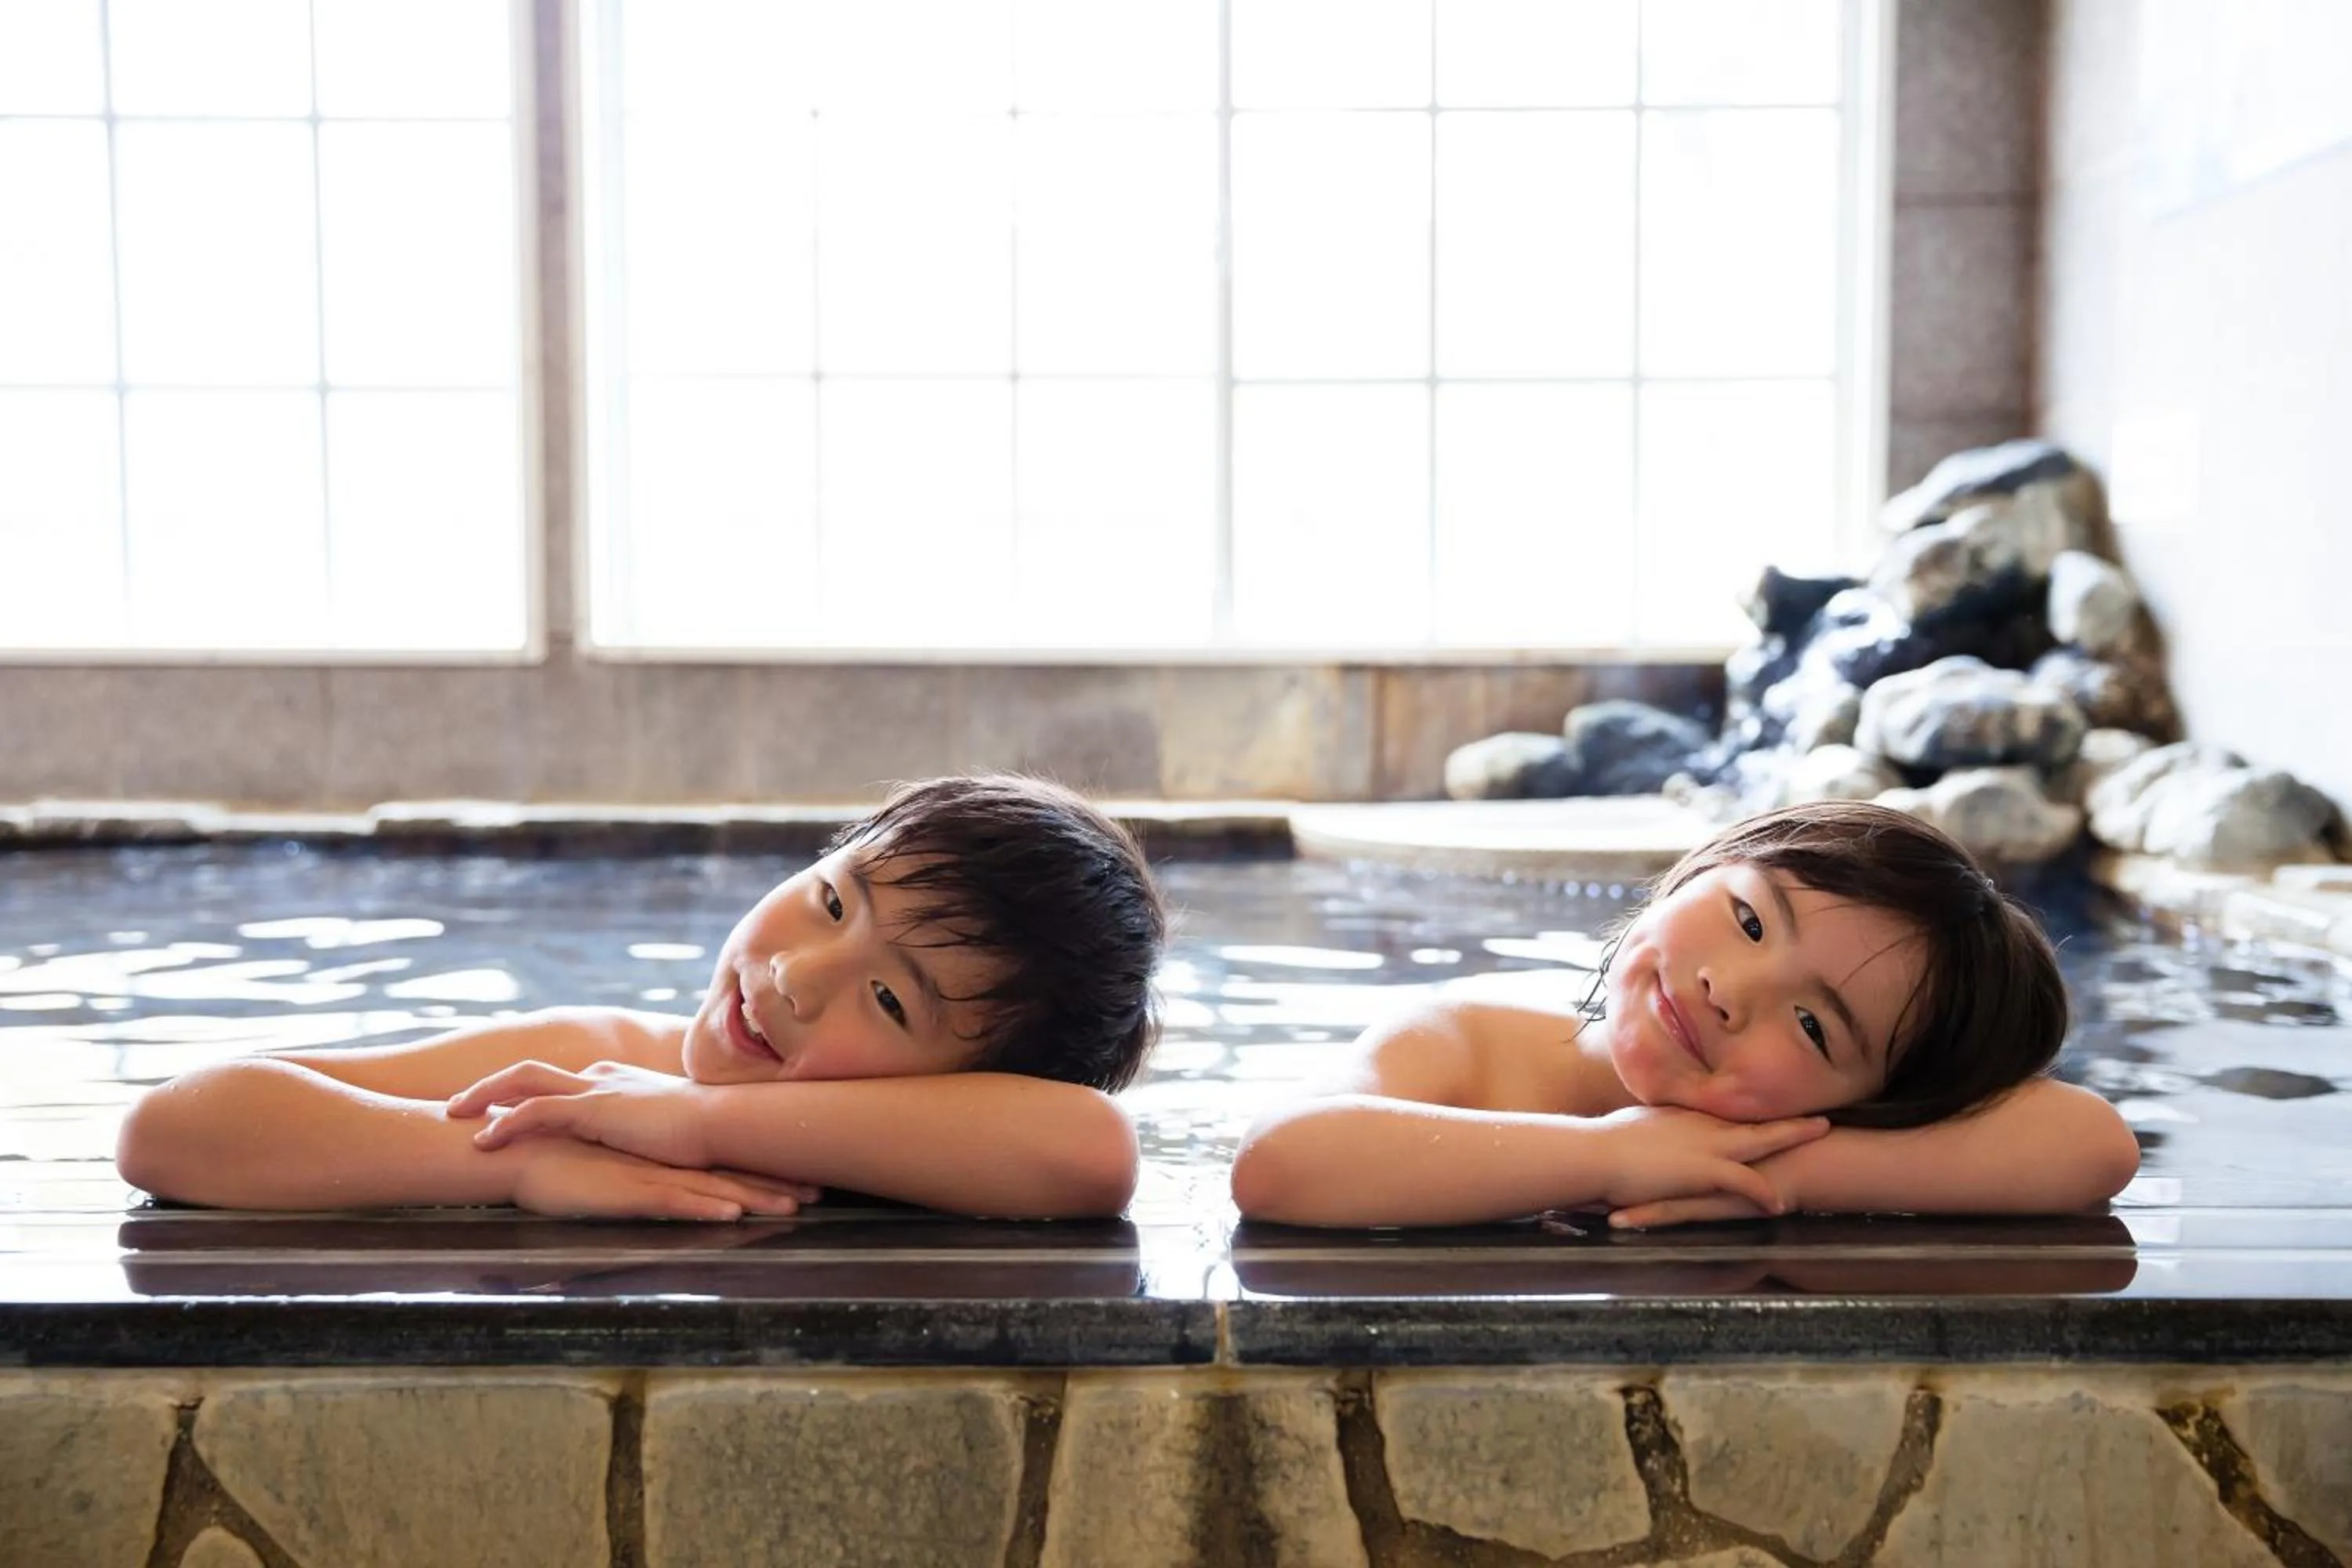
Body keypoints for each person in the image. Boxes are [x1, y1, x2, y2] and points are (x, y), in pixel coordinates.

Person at [117, 775, 1166, 1221]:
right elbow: (175, 1127)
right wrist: (519, 1160)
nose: (795, 975)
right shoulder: (598, 1065)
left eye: (890, 1000)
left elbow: (1090, 1149)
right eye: (831, 900)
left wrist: (701, 1121)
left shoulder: (989, 1144)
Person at [1230, 800, 2141, 1229]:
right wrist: (1613, 1155)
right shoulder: (1469, 1038)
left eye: (1814, 1025)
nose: (1730, 989)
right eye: (1750, 919)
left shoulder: (1789, 1140)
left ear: (1868, 1098)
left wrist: (1777, 1173)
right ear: (1702, 865)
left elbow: (2093, 1142)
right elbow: (1280, 1161)